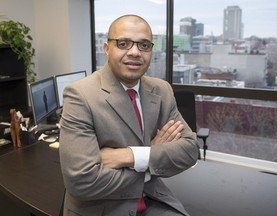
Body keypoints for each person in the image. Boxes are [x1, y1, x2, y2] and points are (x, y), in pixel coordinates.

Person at [59, 14, 199, 216]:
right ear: (107, 49)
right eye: (123, 43)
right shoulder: (80, 94)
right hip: (102, 208)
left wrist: (130, 156)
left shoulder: (161, 90)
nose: (134, 52)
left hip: (153, 199)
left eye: (144, 45)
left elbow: (189, 151)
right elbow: (82, 181)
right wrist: (152, 157)